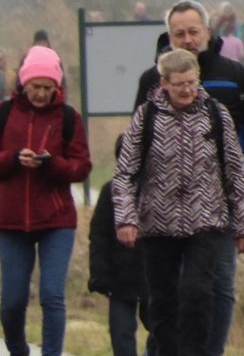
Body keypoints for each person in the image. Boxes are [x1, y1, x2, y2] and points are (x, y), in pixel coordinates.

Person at [132, 0, 244, 356]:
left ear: (207, 33)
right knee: (166, 292)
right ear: (168, 38)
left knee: (217, 287)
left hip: (220, 204)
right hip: (164, 207)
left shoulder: (232, 76)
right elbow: (135, 146)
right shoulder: (152, 82)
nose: (187, 39)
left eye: (193, 32)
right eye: (178, 33)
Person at [114, 48, 244, 356]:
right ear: (164, 83)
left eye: (192, 82)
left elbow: (235, 172)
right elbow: (125, 173)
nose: (187, 90)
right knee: (162, 302)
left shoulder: (216, 114)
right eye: (180, 84)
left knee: (197, 293)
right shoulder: (147, 116)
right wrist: (126, 219)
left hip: (206, 222)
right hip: (157, 226)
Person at [0, 45, 91, 356]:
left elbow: (82, 166)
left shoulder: (68, 117)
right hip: (11, 221)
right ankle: (18, 350)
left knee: (52, 296)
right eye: (36, 86)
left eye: (48, 88)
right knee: (12, 302)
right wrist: (12, 159)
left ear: (58, 87)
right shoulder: (2, 114)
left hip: (56, 220)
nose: (41, 94)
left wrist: (52, 165)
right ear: (23, 83)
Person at [89, 134, 155, 356]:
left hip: (154, 278)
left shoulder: (159, 192)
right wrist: (99, 272)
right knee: (121, 337)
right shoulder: (110, 192)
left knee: (163, 332)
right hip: (119, 278)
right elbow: (99, 235)